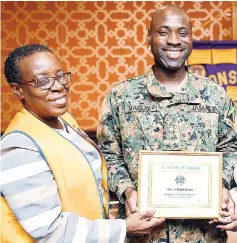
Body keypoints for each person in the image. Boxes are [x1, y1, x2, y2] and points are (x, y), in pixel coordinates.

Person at [97, 4, 237, 243]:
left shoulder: (216, 95)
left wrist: (221, 185)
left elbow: (230, 148)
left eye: (183, 33)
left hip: (203, 235)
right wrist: (128, 191)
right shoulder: (121, 96)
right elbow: (108, 156)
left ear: (191, 39)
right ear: (149, 37)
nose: (174, 40)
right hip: (143, 234)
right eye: (164, 32)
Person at [0, 44, 165, 243]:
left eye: (60, 75)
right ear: (18, 90)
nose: (58, 86)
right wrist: (123, 228)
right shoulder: (18, 148)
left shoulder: (65, 122)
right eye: (42, 81)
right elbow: (49, 230)